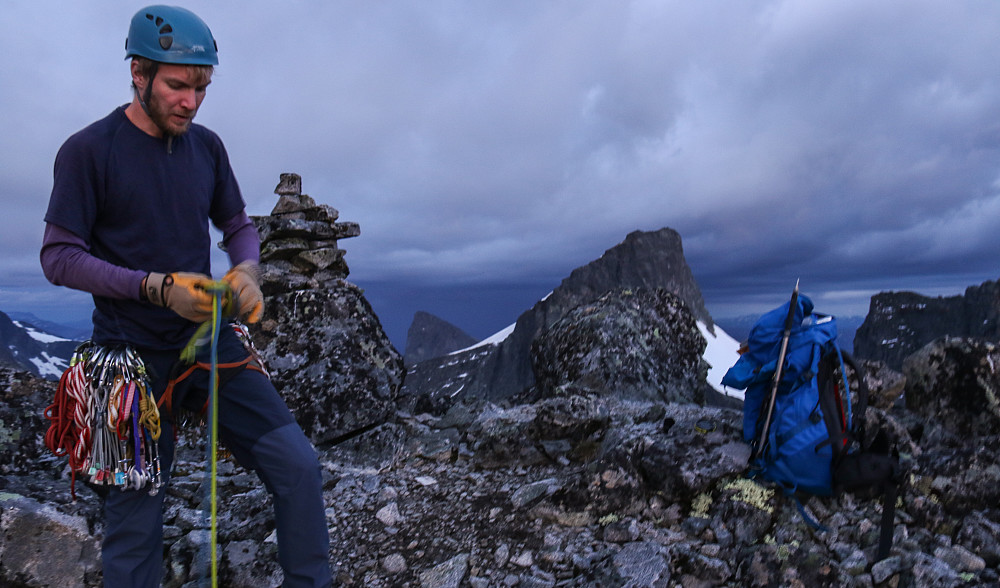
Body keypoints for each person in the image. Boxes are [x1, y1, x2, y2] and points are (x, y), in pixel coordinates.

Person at [40, 6, 332, 587]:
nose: (191, 102)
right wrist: (156, 287)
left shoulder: (207, 148)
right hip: (125, 362)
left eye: (201, 87)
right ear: (139, 72)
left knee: (298, 465)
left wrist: (246, 270)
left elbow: (237, 223)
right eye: (178, 84)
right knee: (133, 527)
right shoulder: (88, 151)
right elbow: (58, 257)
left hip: (207, 345)